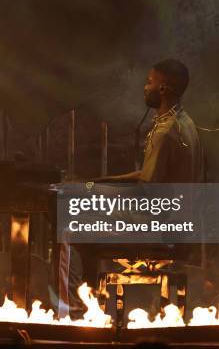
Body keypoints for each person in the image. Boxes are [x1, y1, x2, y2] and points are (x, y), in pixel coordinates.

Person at [58, 59, 204, 318]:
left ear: (163, 88)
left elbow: (144, 192)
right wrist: (98, 182)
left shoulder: (166, 131)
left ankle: (70, 313)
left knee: (68, 229)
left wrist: (88, 191)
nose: (144, 87)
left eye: (150, 82)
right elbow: (148, 175)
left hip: (158, 227)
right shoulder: (184, 122)